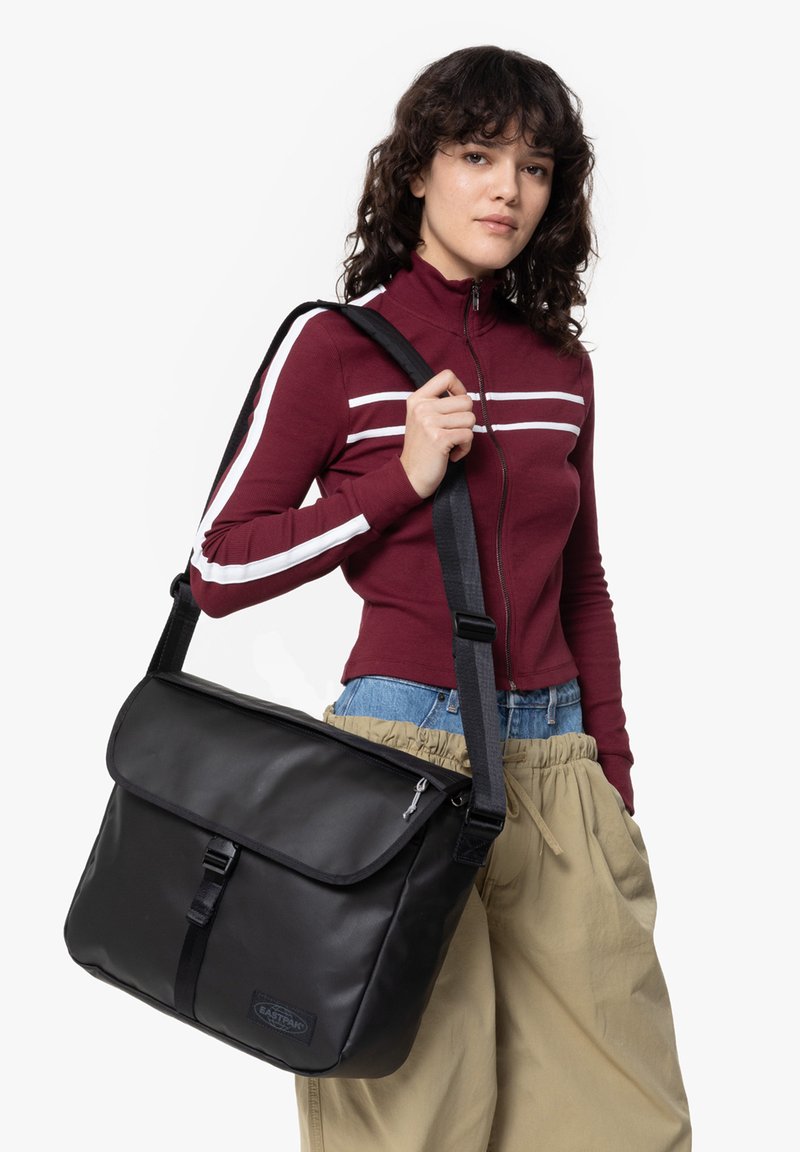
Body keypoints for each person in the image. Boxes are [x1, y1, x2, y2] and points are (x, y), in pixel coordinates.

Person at [189, 44, 691, 1152]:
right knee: (409, 1125)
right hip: (399, 763)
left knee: (625, 1121)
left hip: (556, 764)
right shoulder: (335, 348)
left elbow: (582, 584)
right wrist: (398, 479)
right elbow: (218, 569)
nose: (507, 189)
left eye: (534, 167)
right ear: (417, 169)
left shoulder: (559, 365)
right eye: (476, 156)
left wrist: (610, 779)